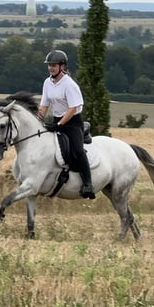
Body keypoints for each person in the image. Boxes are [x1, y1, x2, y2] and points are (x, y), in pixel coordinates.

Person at [37, 50, 95, 199]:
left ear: (62, 66)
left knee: (77, 150)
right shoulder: (47, 82)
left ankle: (88, 183)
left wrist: (61, 124)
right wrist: (38, 119)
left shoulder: (69, 84)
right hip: (57, 121)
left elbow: (73, 108)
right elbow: (44, 105)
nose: (51, 68)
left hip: (72, 123)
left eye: (54, 65)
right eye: (49, 65)